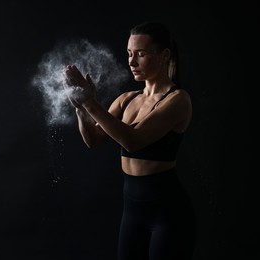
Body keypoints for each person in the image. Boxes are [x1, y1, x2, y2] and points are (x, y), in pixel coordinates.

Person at [63, 21, 196, 260]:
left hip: (168, 213)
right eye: (129, 54)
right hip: (132, 213)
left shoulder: (177, 100)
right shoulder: (126, 99)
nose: (132, 62)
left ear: (164, 55)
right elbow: (92, 140)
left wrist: (90, 103)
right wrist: (81, 108)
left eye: (141, 54)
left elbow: (131, 141)